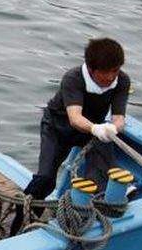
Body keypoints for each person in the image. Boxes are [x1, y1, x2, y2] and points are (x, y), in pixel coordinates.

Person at [11, 37, 131, 233]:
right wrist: (97, 129)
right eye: (105, 72)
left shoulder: (122, 81)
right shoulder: (73, 78)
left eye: (115, 71)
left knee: (99, 177)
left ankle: (84, 220)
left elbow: (119, 117)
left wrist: (113, 129)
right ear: (91, 69)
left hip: (92, 131)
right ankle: (23, 216)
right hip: (58, 128)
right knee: (45, 179)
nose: (111, 77)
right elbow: (75, 118)